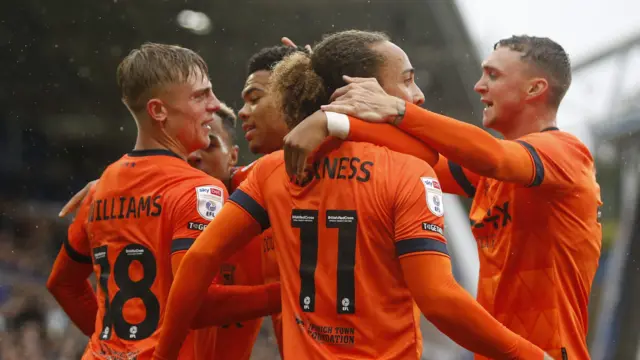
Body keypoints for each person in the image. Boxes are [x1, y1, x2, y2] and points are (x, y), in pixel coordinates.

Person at [154, 30, 547, 360]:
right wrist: (528, 355)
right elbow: (439, 299)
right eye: (408, 79)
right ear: (362, 89)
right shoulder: (408, 171)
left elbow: (200, 257)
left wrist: (165, 354)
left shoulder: (270, 172)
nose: (419, 94)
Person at [283, 35, 601, 360]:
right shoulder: (489, 173)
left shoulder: (568, 155)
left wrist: (396, 109)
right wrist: (324, 97)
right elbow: (420, 154)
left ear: (535, 89)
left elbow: (494, 156)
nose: (479, 86)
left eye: (493, 75)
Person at [46, 43, 281, 359]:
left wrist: (115, 348)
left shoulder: (103, 186)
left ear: (232, 159)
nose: (215, 105)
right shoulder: (200, 189)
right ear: (158, 111)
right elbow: (197, 303)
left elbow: (63, 283)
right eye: (201, 96)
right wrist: (288, 292)